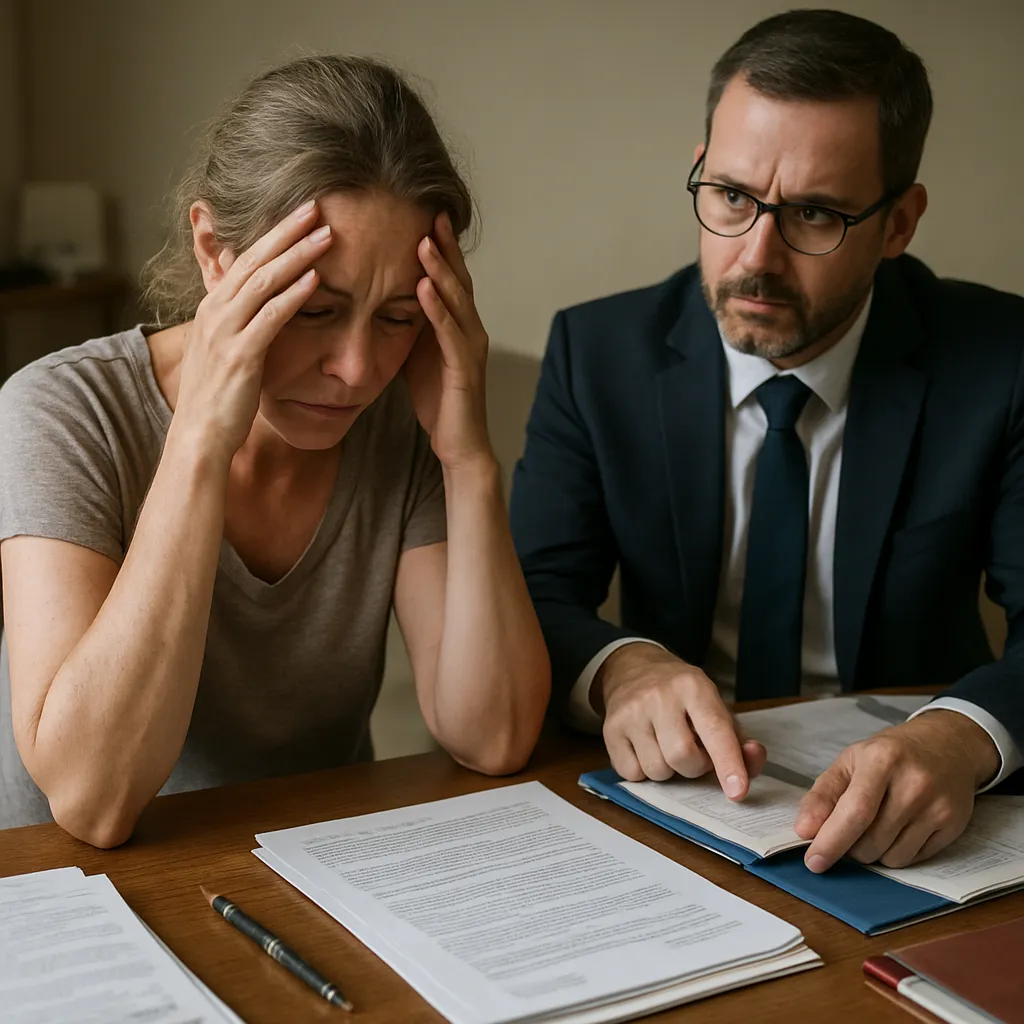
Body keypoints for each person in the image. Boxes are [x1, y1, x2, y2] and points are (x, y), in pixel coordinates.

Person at [510, 9, 1024, 875]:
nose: (757, 257)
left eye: (816, 214)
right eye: (732, 196)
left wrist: (963, 737)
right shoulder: (597, 356)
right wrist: (621, 669)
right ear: (699, 172)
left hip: (918, 826)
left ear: (899, 225)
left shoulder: (1002, 362)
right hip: (672, 810)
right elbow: (530, 592)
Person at [0, 55, 550, 846]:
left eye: (397, 317)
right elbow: (94, 798)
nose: (356, 370)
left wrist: (468, 459)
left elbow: (492, 735)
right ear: (215, 252)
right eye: (317, 309)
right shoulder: (61, 411)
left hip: (313, 877)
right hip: (76, 899)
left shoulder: (402, 425)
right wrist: (198, 444)